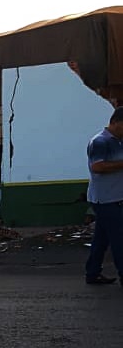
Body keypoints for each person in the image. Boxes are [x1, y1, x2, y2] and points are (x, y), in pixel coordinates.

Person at [85, 106, 123, 285]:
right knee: (119, 239)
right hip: (105, 199)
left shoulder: (118, 141)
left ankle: (92, 273)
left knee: (102, 238)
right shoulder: (100, 141)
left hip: (115, 198)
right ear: (115, 122)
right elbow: (97, 167)